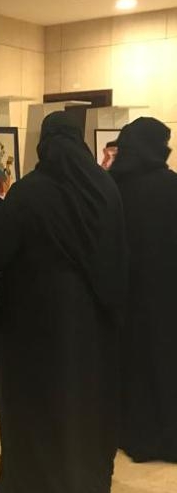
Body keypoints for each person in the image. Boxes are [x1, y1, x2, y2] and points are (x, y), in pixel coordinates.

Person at [0, 112, 127, 493]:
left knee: (35, 400)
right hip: (92, 322)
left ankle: (36, 487)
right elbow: (118, 252)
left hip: (33, 320)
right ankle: (84, 485)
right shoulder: (105, 188)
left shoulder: (28, 191)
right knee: (85, 399)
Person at [110, 117, 177, 462]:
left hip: (124, 292)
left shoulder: (111, 188)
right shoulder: (172, 186)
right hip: (168, 292)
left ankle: (135, 433)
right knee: (166, 361)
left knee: (131, 362)